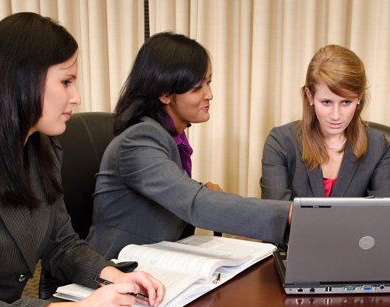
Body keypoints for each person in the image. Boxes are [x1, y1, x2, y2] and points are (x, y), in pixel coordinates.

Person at [0, 13, 164, 307]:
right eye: (66, 82)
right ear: (20, 82)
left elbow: (61, 244)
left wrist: (115, 276)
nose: (77, 97)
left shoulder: (41, 148)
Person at [86, 32, 292, 260]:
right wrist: (289, 213)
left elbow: (173, 192)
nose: (210, 95)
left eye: (208, 83)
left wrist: (199, 188)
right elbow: (194, 203)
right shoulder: (139, 140)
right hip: (117, 270)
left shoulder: (171, 137)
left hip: (158, 261)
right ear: (165, 94)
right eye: (197, 88)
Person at [260, 44, 390, 201]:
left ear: (359, 97)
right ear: (310, 96)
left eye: (346, 102)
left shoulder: (378, 145)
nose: (336, 115)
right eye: (326, 102)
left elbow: (384, 216)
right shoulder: (280, 142)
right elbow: (276, 213)